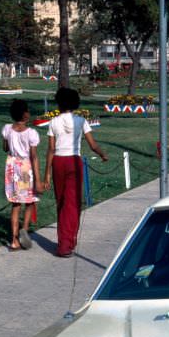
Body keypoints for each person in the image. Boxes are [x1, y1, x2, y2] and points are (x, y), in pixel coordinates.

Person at [43, 87, 108, 258]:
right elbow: (93, 145)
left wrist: (47, 174)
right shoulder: (81, 121)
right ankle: (66, 243)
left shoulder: (53, 122)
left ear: (59, 102)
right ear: (75, 102)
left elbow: (50, 149)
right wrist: (102, 154)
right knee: (72, 203)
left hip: (58, 162)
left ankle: (65, 240)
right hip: (74, 162)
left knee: (61, 201)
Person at [2, 99, 42, 251]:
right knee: (30, 200)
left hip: (12, 167)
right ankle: (24, 229)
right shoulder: (31, 133)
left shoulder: (6, 129)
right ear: (25, 114)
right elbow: (34, 157)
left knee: (15, 203)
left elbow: (5, 148)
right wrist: (38, 179)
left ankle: (14, 240)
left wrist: (9, 142)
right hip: (25, 168)